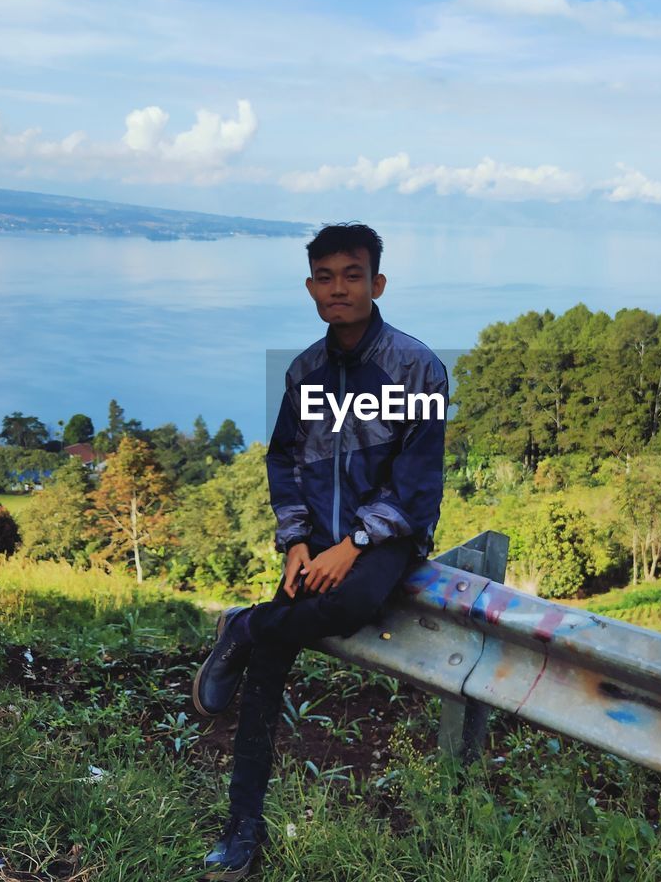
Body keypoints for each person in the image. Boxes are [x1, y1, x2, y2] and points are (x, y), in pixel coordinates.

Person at [192, 222, 448, 879]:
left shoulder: (417, 366)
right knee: (269, 667)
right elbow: (285, 461)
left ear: (377, 282)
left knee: (354, 600)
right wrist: (297, 542)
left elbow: (417, 486)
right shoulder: (306, 370)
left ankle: (241, 625)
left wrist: (355, 542)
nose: (339, 289)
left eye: (352, 275)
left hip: (388, 537)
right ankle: (241, 829)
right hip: (318, 542)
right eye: (326, 277)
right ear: (311, 287)